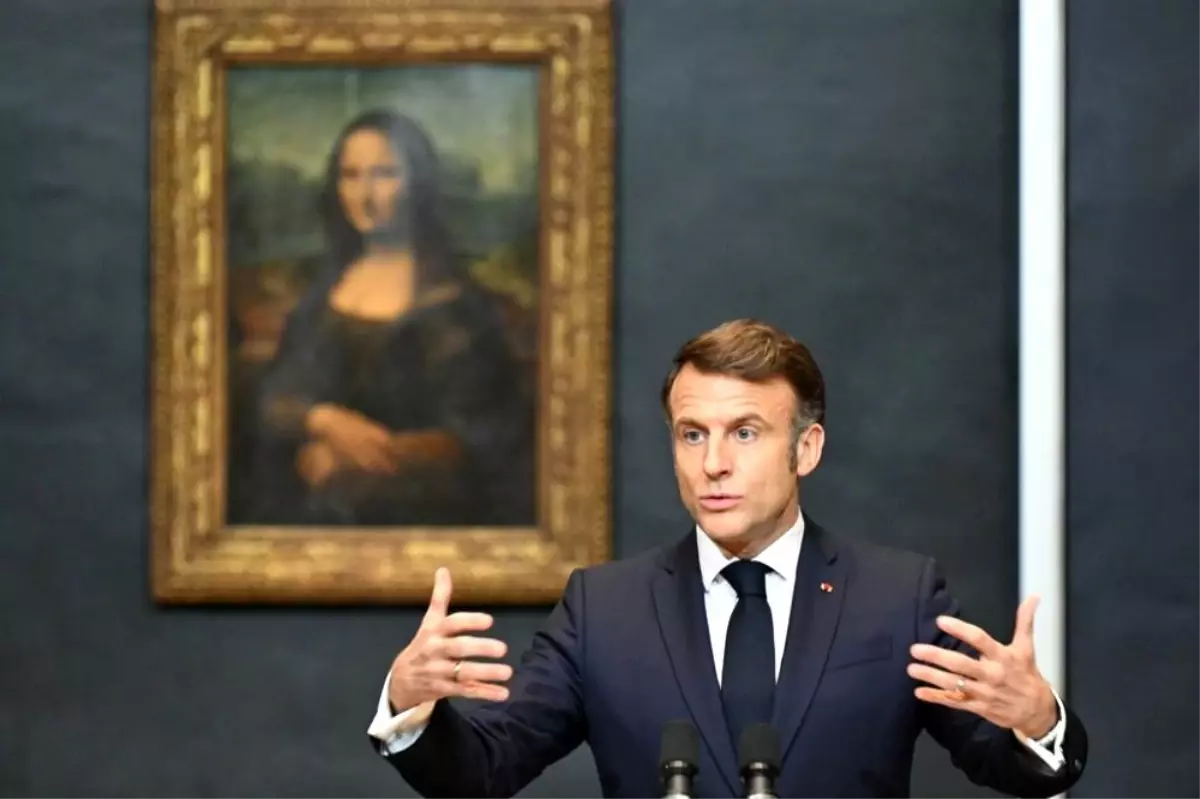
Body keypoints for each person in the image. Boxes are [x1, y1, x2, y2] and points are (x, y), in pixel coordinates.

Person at [366, 319, 1088, 798]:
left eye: (744, 433)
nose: (713, 463)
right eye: (692, 434)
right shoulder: (604, 609)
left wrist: (1036, 719)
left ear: (806, 448)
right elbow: (484, 769)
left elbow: (1012, 766)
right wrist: (409, 705)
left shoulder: (897, 597)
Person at [247, 109, 534, 527]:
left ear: (418, 182)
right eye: (351, 175)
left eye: (384, 174)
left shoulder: (456, 306)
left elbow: (479, 439)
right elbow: (276, 396)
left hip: (420, 515)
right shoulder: (322, 291)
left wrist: (359, 459)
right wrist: (323, 421)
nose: (365, 195)